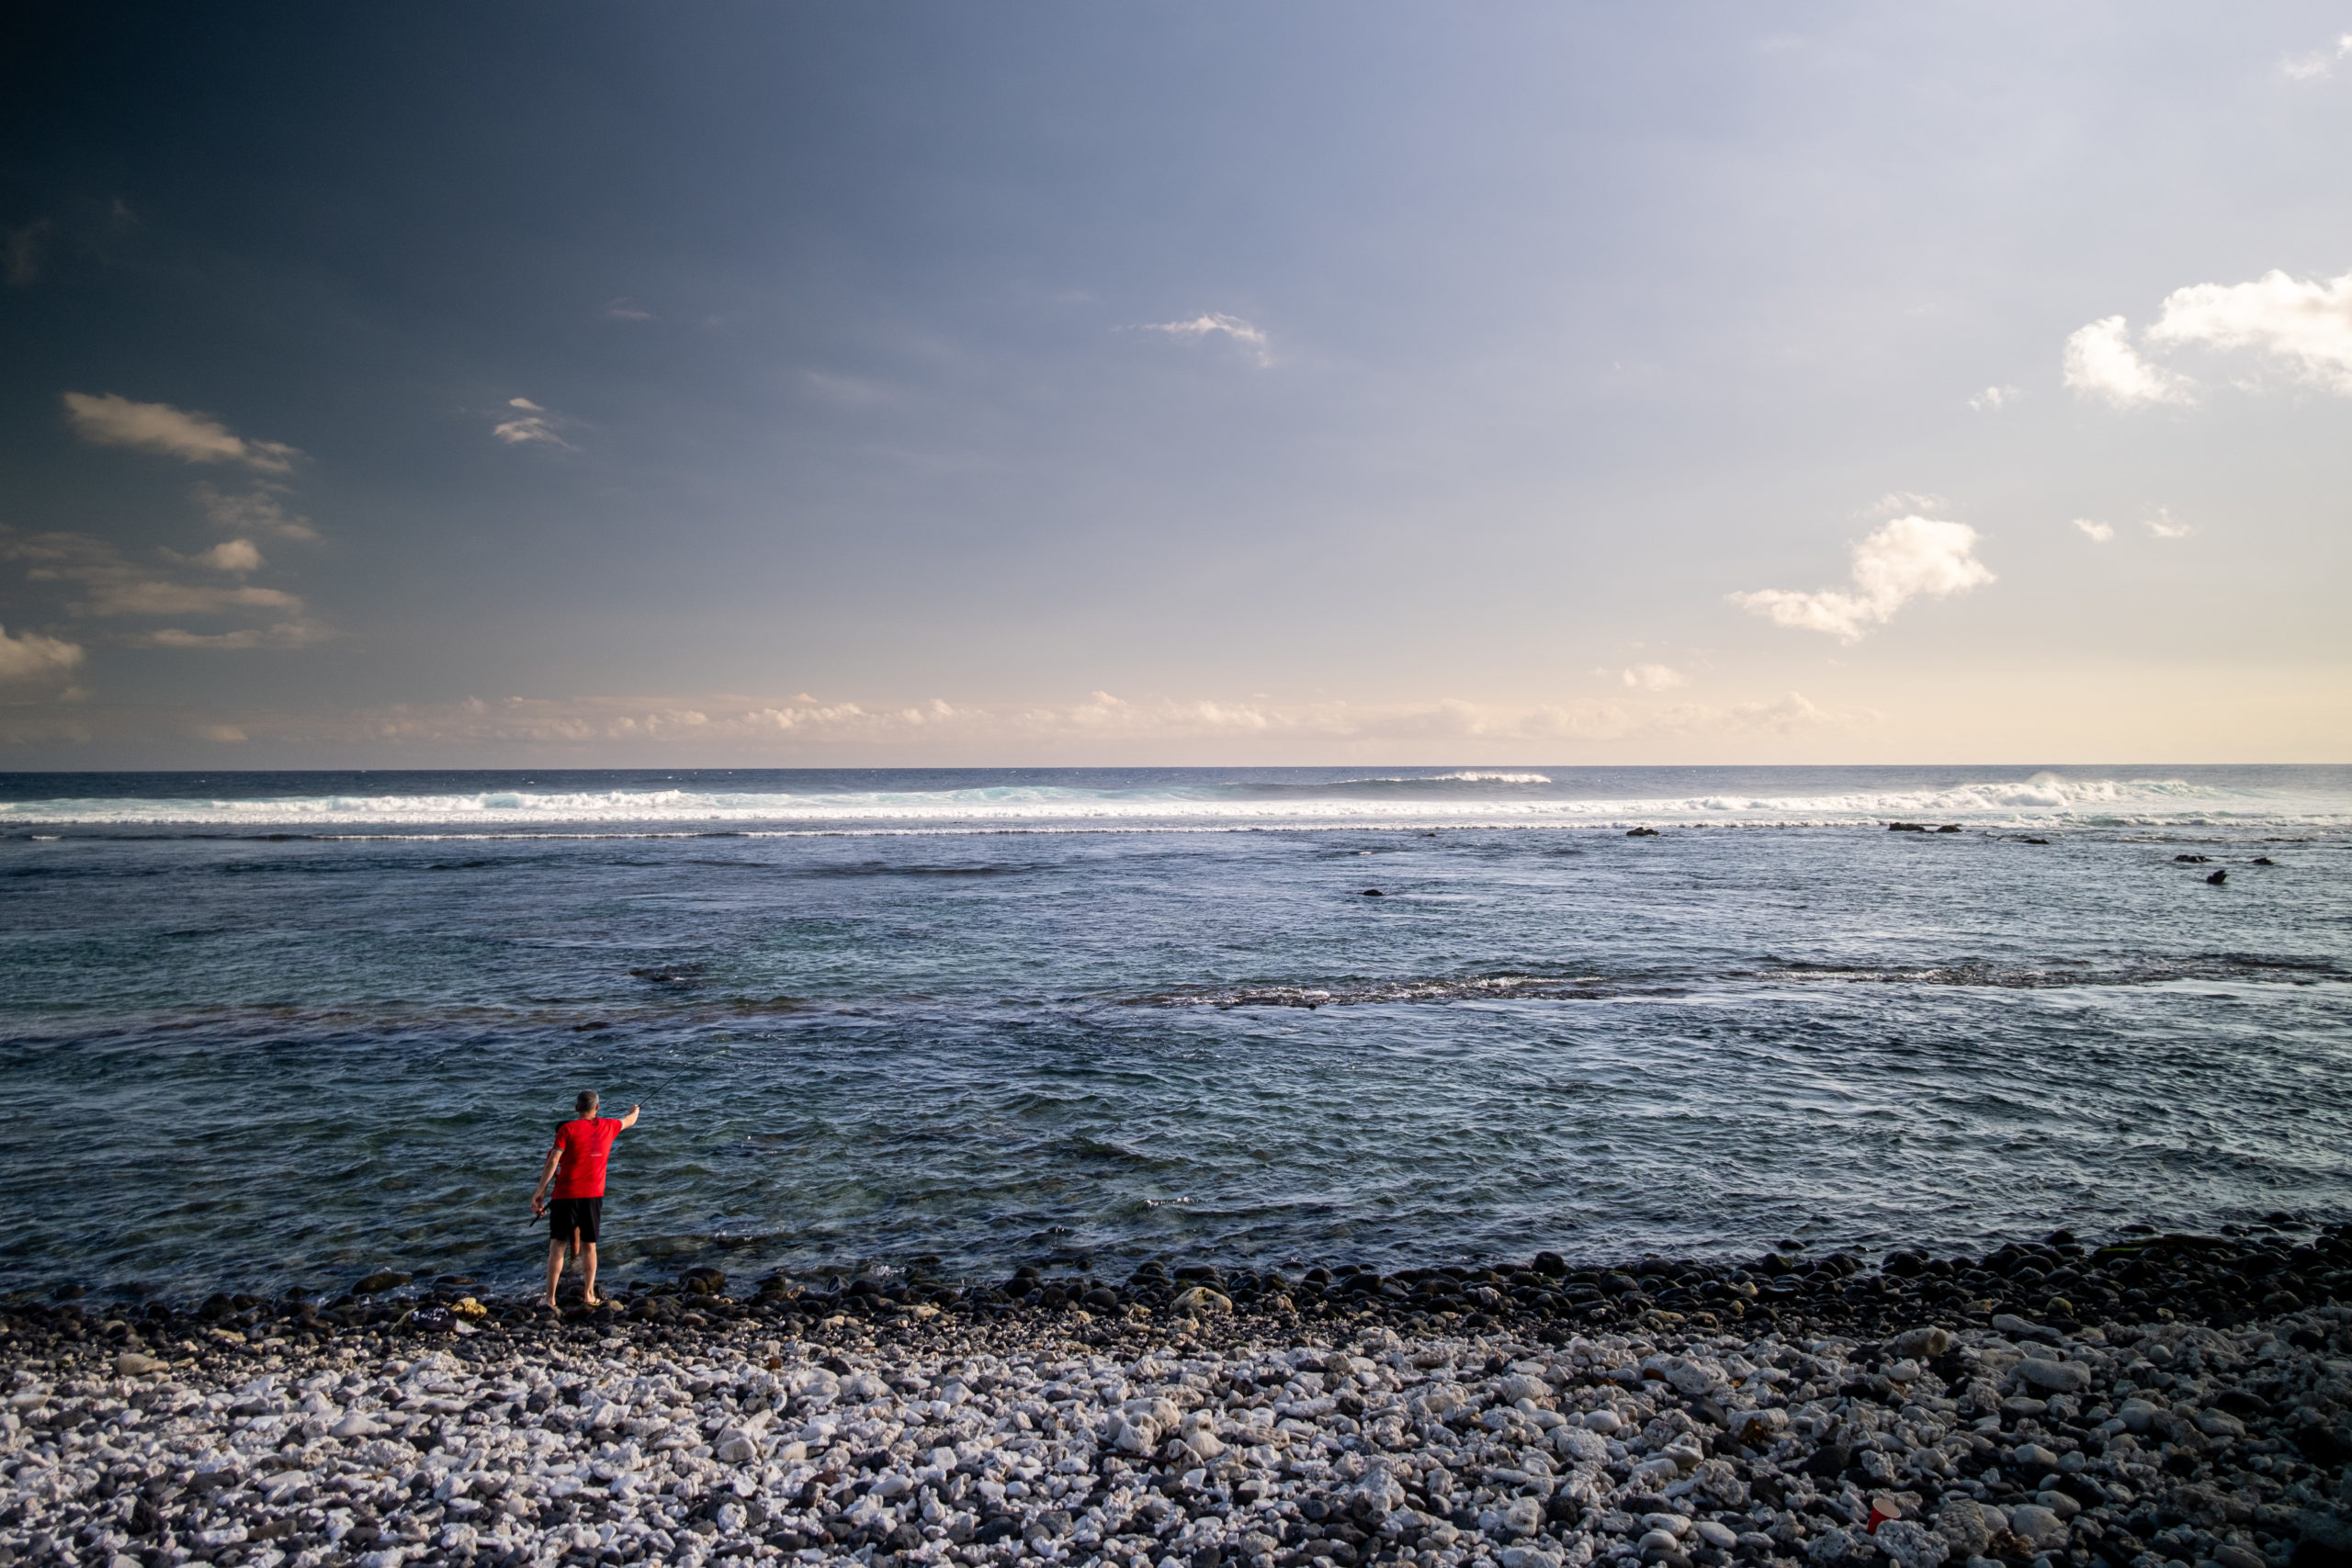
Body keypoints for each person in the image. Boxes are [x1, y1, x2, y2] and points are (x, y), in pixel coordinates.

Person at [530, 1090, 639, 1312]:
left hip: (565, 1196)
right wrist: (634, 1110)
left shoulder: (566, 1129)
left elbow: (554, 1160)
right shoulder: (609, 1126)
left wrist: (539, 1192)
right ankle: (589, 1294)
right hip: (593, 1196)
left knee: (557, 1247)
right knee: (590, 1246)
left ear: (576, 1108)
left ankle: (550, 1298)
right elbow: (630, 1121)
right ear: (597, 1108)